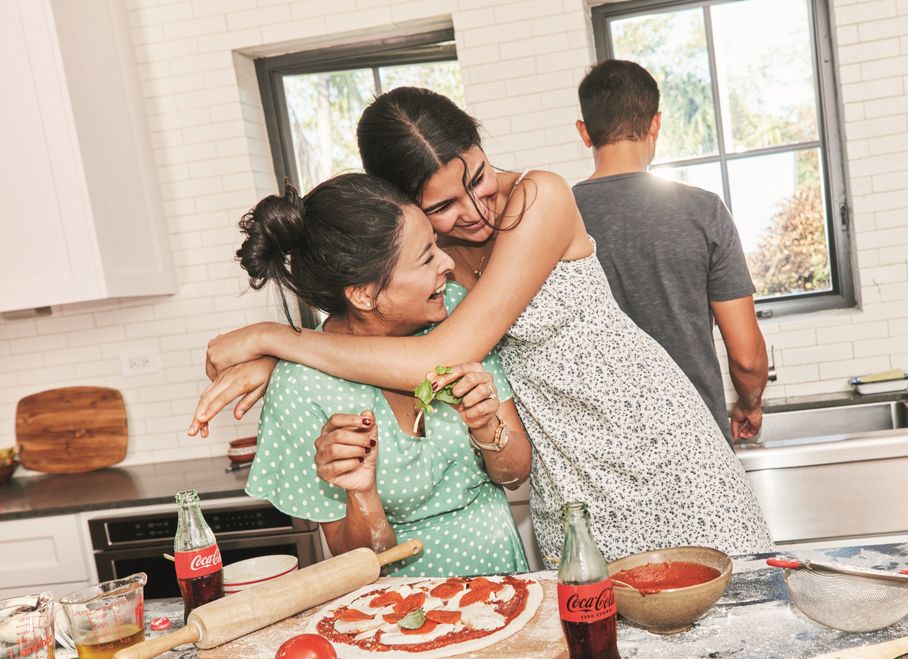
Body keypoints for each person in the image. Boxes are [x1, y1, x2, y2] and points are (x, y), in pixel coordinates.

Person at [190, 87, 772, 564]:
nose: (474, 210)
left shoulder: (539, 197)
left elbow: (436, 358)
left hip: (650, 439)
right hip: (565, 471)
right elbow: (365, 329)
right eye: (441, 205)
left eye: (477, 174)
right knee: (601, 632)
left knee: (727, 616)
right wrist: (282, 363)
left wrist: (273, 339)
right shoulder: (424, 250)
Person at [230, 173, 531, 577]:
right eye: (426, 257)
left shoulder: (458, 318)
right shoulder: (300, 390)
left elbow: (516, 473)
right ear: (364, 294)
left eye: (436, 246)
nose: (447, 263)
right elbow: (358, 558)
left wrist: (486, 427)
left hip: (506, 578)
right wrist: (361, 493)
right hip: (396, 609)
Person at [574, 59, 769, 445]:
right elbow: (747, 357)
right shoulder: (704, 211)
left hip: (599, 448)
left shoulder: (553, 217)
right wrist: (750, 404)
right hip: (695, 440)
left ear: (584, 132)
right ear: (655, 124)